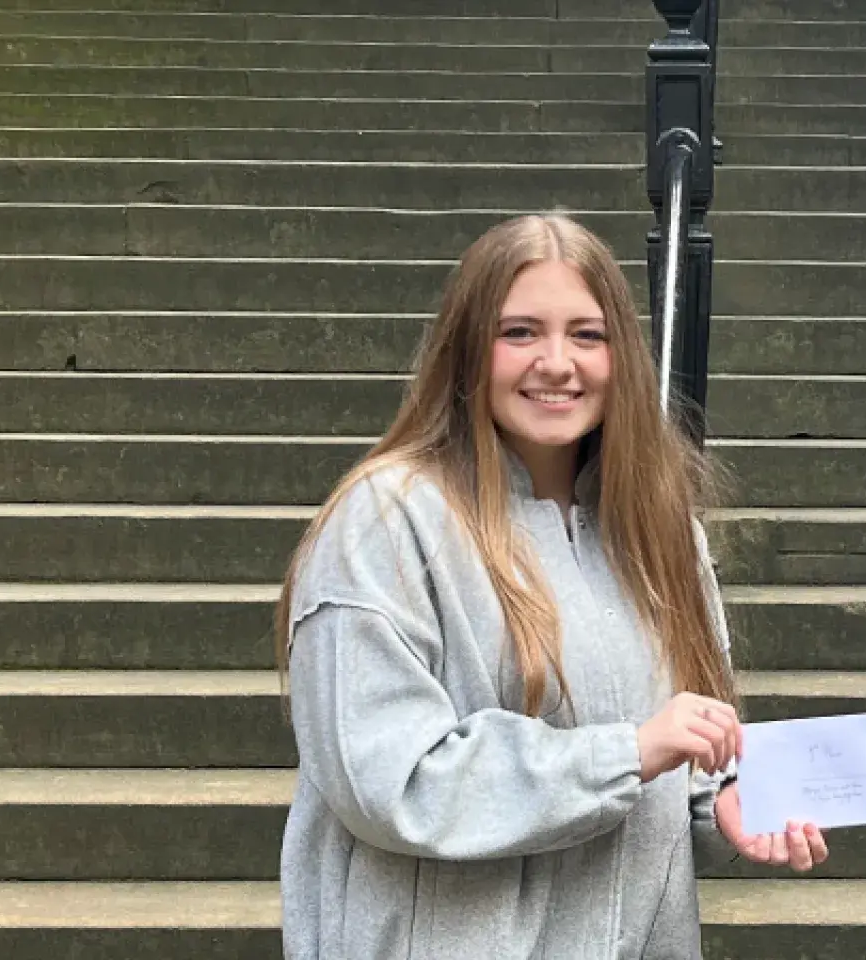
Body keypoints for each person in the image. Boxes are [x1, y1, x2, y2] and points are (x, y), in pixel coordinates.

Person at [275, 214, 827, 960]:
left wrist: (723, 798)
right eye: (521, 332)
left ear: (621, 355)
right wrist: (627, 754)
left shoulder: (660, 531)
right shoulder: (385, 521)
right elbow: (390, 779)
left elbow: (686, 747)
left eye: (587, 335)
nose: (558, 363)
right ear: (468, 349)